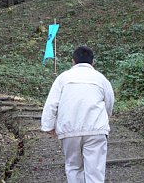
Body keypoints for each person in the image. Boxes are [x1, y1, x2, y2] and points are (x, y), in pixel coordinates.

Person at [41, 46, 115, 183]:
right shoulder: (101, 78)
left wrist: (48, 126)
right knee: (95, 170)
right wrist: (106, 119)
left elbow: (52, 103)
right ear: (93, 63)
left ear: (73, 61)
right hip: (96, 128)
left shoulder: (63, 78)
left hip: (69, 129)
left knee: (73, 167)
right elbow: (109, 102)